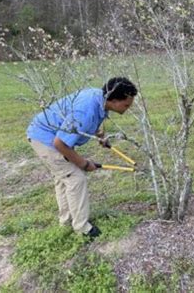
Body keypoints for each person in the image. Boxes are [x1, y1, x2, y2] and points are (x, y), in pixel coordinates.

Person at [26, 77, 138, 239]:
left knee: (63, 177)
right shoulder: (86, 111)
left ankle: (66, 220)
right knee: (76, 178)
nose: (129, 108)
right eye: (126, 104)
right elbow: (60, 143)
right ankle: (82, 228)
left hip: (51, 134)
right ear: (113, 100)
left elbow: (84, 123)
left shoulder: (99, 97)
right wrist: (84, 164)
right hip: (45, 138)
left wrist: (98, 133)